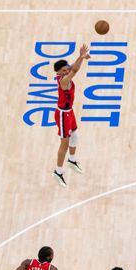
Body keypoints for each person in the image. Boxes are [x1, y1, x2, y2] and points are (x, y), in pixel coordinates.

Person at [52, 44, 88, 187]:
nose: (67, 70)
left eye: (67, 68)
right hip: (62, 114)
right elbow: (75, 69)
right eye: (64, 70)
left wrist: (81, 57)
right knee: (64, 143)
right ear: (59, 73)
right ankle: (58, 171)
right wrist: (81, 57)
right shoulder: (64, 80)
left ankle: (72, 160)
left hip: (69, 112)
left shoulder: (64, 73)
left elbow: (73, 66)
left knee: (75, 136)